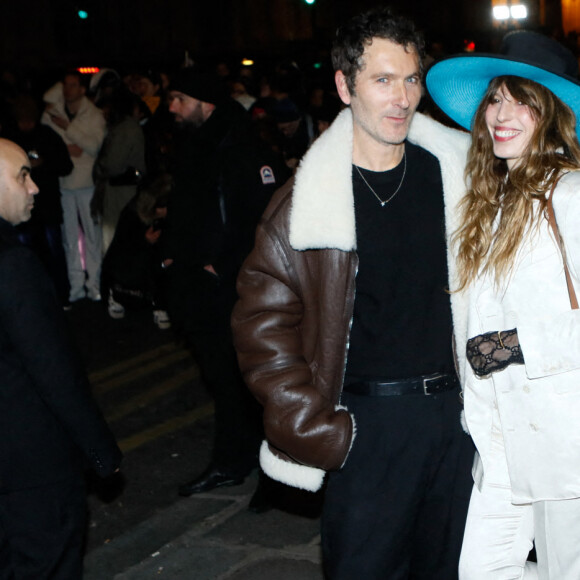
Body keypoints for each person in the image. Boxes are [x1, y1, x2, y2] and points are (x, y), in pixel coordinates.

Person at [232, 7, 474, 579]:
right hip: (365, 424)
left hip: (455, 420)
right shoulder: (307, 202)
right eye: (382, 80)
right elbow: (260, 325)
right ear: (345, 86)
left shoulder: (458, 175)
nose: (402, 98)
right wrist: (317, 428)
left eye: (411, 79)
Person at [426, 31, 580, 579]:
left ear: (553, 115)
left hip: (566, 436)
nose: (501, 113)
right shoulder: (494, 203)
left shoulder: (570, 195)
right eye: (495, 98)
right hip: (501, 435)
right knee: (483, 571)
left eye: (523, 100)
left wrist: (516, 346)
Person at [162, 68, 291, 497]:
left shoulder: (237, 145)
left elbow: (259, 217)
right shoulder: (201, 144)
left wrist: (220, 265)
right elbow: (190, 207)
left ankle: (258, 468)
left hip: (228, 288)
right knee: (225, 380)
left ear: (206, 101)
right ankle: (239, 461)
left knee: (244, 379)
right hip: (200, 286)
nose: (172, 108)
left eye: (180, 98)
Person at [0, 138, 122, 579]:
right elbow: (53, 368)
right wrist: (100, 450)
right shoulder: (13, 265)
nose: (33, 188)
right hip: (31, 467)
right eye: (21, 176)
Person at [42, 71, 107, 302]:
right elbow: (50, 144)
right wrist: (69, 147)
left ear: (82, 89)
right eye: (64, 85)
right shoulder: (53, 113)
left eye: (73, 85)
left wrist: (69, 130)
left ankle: (95, 284)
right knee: (69, 239)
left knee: (92, 236)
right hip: (63, 183)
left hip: (87, 183)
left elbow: (93, 146)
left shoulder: (93, 114)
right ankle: (76, 286)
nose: (67, 90)